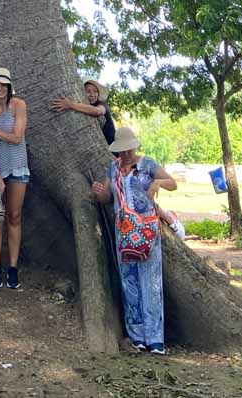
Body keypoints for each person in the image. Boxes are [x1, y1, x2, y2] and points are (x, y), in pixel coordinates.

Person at [90, 126, 177, 354]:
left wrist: (157, 184)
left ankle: (155, 337)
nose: (126, 154)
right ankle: (137, 335)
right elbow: (107, 197)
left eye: (129, 149)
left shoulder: (148, 164)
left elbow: (172, 183)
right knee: (129, 281)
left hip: (146, 230)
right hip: (124, 231)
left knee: (151, 282)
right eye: (122, 151)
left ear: (134, 147)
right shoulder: (113, 169)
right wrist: (98, 191)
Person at [0, 67, 28, 289]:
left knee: (14, 215)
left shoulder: (18, 105)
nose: (0, 89)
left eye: (3, 85)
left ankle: (12, 266)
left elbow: (17, 137)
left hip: (18, 166)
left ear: (9, 87)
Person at [51, 78, 116, 145]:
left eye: (95, 91)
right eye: (88, 91)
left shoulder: (102, 104)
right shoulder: (83, 105)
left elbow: (98, 111)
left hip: (113, 145)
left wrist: (70, 105)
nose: (92, 94)